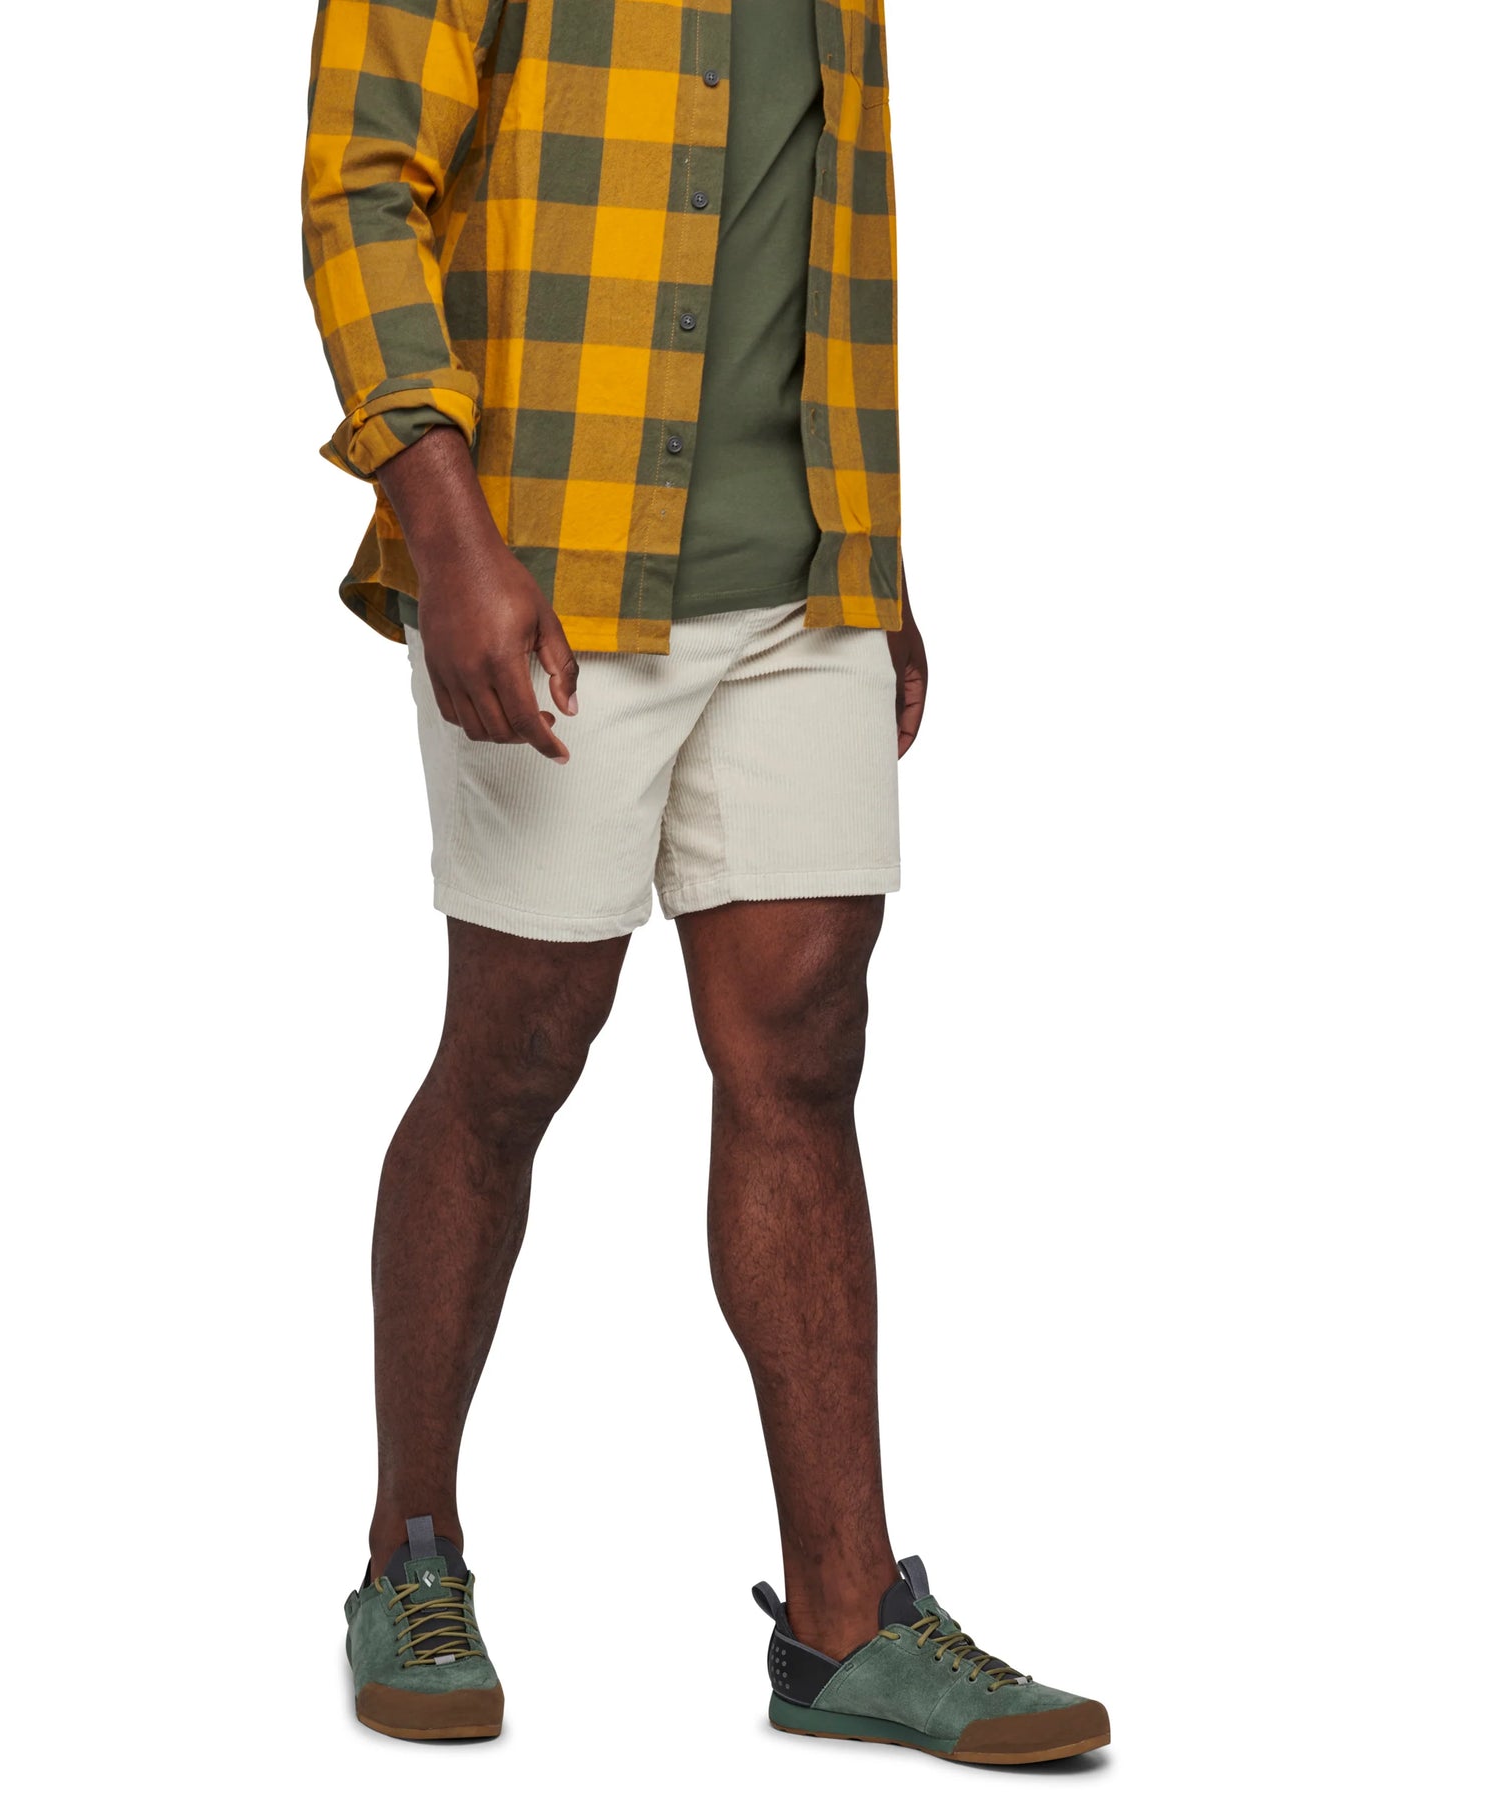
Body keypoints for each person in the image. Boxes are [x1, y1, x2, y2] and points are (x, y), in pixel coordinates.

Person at [303, 0, 1109, 1763]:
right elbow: (361, 187)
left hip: (803, 575)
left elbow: (815, 217)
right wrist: (448, 531)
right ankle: (408, 1553)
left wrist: (874, 556)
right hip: (551, 557)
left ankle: (846, 1624)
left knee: (805, 1053)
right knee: (518, 1050)